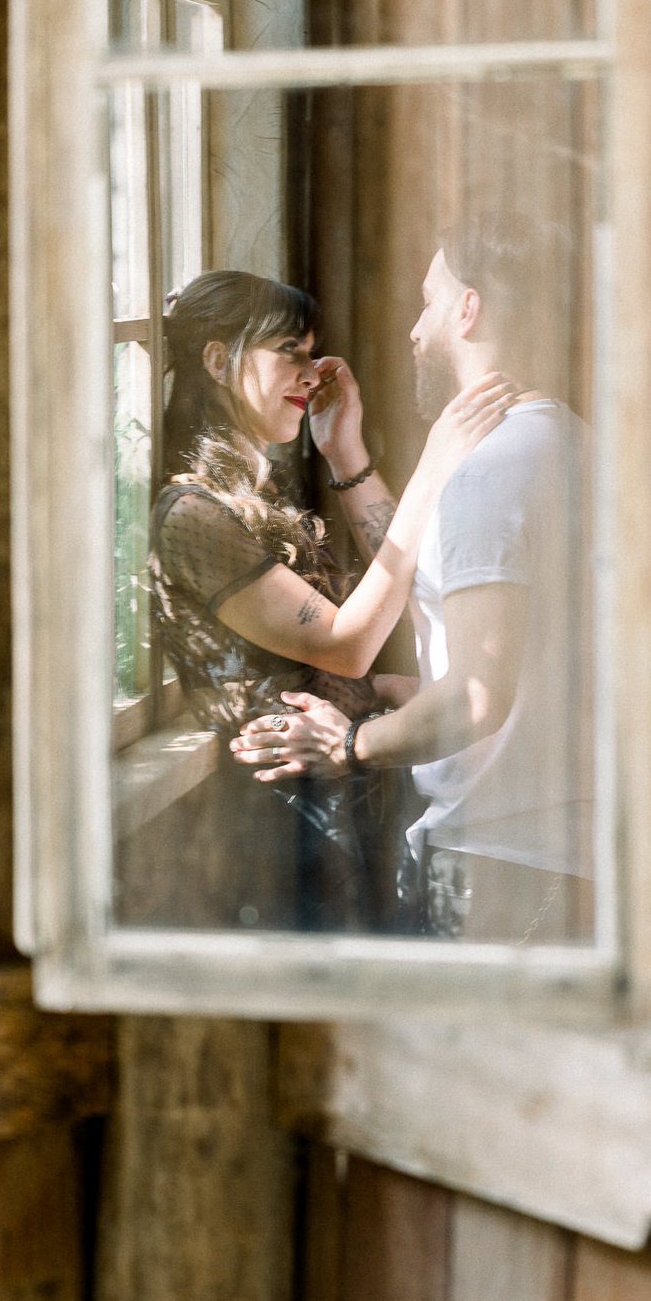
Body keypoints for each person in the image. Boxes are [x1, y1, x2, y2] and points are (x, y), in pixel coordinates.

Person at [230, 221, 593, 943]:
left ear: (468, 309)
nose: (414, 329)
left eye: (429, 302)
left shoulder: (489, 473)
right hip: (566, 853)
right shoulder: (571, 442)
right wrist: (347, 457)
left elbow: (479, 697)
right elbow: (462, 595)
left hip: (499, 862)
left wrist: (350, 744)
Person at [147, 269, 513, 932]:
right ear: (218, 362)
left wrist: (346, 453)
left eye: (313, 352)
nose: (312, 372)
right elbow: (348, 644)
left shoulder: (256, 493)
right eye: (289, 350)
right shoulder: (191, 513)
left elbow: (402, 585)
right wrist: (433, 468)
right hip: (280, 832)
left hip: (344, 803)